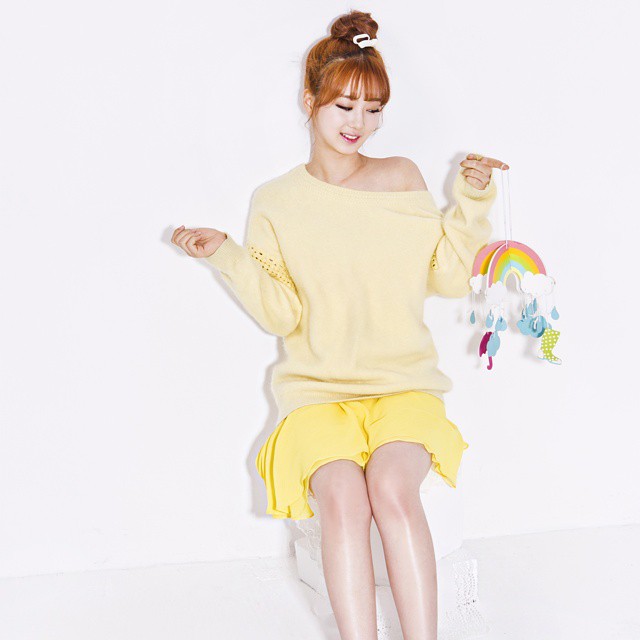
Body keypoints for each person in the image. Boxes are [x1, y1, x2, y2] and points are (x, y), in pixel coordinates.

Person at [172, 10, 508, 640]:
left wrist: (472, 200)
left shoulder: (400, 177)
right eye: (345, 106)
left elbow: (446, 277)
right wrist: (225, 255)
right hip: (317, 394)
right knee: (344, 501)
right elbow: (282, 314)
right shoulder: (275, 201)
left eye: (374, 109)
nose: (360, 124)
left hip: (403, 387)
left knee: (392, 488)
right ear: (311, 102)